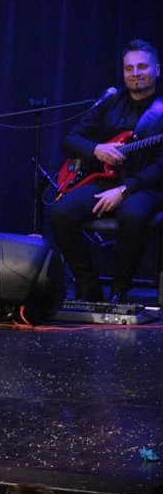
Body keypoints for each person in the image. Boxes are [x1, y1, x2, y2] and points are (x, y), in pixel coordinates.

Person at [50, 39, 163, 303]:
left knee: (132, 214)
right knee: (60, 213)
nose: (135, 73)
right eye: (129, 68)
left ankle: (119, 293)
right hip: (106, 179)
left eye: (142, 67)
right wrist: (96, 149)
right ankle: (90, 288)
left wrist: (125, 189)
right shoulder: (111, 101)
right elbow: (70, 139)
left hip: (148, 185)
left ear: (157, 69)